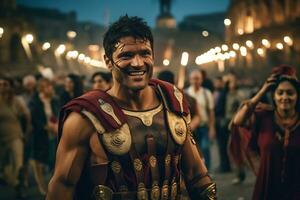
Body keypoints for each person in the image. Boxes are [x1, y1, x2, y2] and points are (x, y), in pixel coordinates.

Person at [47, 16, 216, 200]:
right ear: (108, 61)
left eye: (145, 53)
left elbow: (196, 174)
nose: (137, 63)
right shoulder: (85, 117)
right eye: (126, 55)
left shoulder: (173, 103)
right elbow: (63, 185)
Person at [231, 65, 300, 199]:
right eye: (280, 93)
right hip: (267, 188)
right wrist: (262, 91)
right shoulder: (263, 116)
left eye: (290, 93)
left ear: (297, 96)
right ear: (273, 96)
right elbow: (238, 121)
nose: (285, 97)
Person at [29, 78, 60, 195]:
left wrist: (56, 124)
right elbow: (34, 119)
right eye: (48, 86)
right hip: (40, 135)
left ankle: (52, 186)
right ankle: (43, 188)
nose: (51, 88)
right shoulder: (35, 101)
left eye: (51, 86)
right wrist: (45, 127)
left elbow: (58, 113)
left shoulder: (54, 100)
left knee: (53, 159)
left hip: (53, 133)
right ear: (41, 88)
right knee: (39, 163)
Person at [186, 69, 216, 170]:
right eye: (193, 79)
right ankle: (198, 172)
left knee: (205, 148)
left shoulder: (207, 93)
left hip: (204, 126)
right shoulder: (186, 93)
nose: (195, 81)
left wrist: (212, 128)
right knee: (194, 151)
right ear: (190, 80)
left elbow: (211, 111)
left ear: (201, 80)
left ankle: (207, 171)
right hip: (191, 128)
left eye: (198, 79)